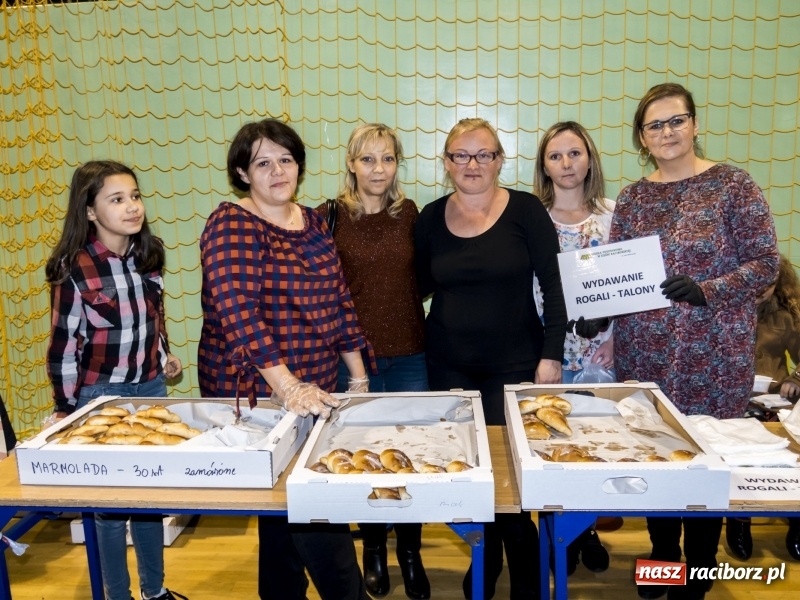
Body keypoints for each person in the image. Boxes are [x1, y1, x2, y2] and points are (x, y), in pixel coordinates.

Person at [606, 83, 779, 600]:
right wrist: (596, 312)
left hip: (714, 355)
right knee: (657, 456)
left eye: (675, 121)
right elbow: (617, 272)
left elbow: (765, 264)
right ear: (642, 137)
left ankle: (700, 569)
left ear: (695, 124)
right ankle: (663, 560)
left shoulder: (733, 185)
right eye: (654, 125)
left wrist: (708, 290)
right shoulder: (634, 196)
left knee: (706, 462)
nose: (666, 132)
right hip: (646, 353)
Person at [198, 118, 371, 600]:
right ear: (242, 172)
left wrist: (357, 377)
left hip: (313, 387)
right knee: (318, 512)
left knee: (283, 510)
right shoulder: (230, 223)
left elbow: (338, 300)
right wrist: (286, 386)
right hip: (259, 393)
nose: (278, 171)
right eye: (263, 163)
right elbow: (239, 315)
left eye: (286, 160)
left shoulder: (312, 221)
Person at [415, 117, 568, 600]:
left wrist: (552, 355)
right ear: (446, 163)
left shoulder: (525, 211)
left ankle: (526, 576)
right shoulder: (428, 217)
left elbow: (555, 285)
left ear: (501, 160)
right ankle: (487, 558)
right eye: (461, 155)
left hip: (517, 365)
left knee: (515, 482)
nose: (473, 164)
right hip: (448, 366)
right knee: (468, 469)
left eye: (484, 154)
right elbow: (415, 290)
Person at [45, 160, 186, 600]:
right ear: (89, 211)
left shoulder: (150, 254)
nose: (132, 207)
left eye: (136, 196)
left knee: (149, 502)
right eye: (117, 199)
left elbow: (153, 317)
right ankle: (116, 594)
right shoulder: (74, 268)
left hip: (150, 390)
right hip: (100, 399)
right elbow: (64, 348)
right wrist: (67, 411)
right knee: (109, 510)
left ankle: (154, 590)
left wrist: (164, 355)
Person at [317, 123, 430, 599]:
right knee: (364, 454)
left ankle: (410, 550)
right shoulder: (329, 217)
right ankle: (375, 550)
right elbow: (323, 288)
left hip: (410, 353)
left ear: (397, 164)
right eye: (368, 159)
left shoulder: (412, 215)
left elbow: (424, 279)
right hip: (351, 360)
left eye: (387, 159)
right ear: (351, 163)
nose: (378, 169)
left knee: (411, 454)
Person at [532, 120, 614, 575]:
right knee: (551, 447)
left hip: (601, 353)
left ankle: (585, 529)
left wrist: (617, 340)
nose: (566, 163)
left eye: (575, 153)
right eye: (556, 155)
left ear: (589, 158)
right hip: (548, 354)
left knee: (592, 445)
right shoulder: (529, 217)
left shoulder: (613, 214)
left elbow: (633, 285)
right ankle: (554, 534)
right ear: (544, 164)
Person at [725, 255, 800, 562]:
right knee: (739, 459)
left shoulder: (786, 316)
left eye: (766, 284)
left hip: (773, 401)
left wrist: (795, 378)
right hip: (732, 400)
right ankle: (739, 521)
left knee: (790, 456)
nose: (758, 290)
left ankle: (795, 520)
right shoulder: (724, 312)